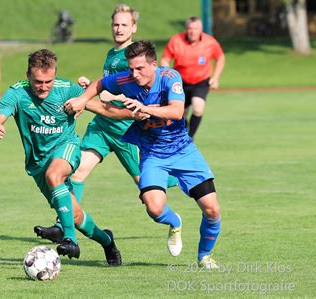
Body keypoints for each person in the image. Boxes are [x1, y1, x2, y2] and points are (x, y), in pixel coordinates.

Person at [64, 41, 222, 269]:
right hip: (153, 155)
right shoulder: (126, 80)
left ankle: (204, 256)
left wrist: (144, 108)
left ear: (154, 65)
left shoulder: (170, 77)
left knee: (212, 209)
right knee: (155, 209)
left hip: (183, 151)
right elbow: (100, 83)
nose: (134, 74)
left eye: (140, 69)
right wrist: (82, 100)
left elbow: (177, 111)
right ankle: (175, 222)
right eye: (131, 68)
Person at [0, 49, 145, 266]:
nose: (43, 87)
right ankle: (107, 241)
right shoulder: (17, 92)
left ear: (55, 75)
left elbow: (103, 109)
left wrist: (134, 114)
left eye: (48, 81)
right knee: (76, 216)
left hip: (66, 148)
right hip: (37, 164)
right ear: (28, 75)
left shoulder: (66, 90)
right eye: (38, 82)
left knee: (55, 174)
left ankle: (69, 239)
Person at [34, 4, 177, 245]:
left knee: (149, 194)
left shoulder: (134, 59)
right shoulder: (112, 53)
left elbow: (143, 92)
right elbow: (108, 86)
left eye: (124, 25)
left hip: (127, 132)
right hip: (102, 126)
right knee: (76, 173)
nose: (119, 29)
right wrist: (89, 90)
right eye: (115, 24)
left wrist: (113, 98)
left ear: (134, 27)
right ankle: (63, 225)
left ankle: (173, 221)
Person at [160, 16, 225, 138]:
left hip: (201, 81)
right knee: (180, 113)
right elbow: (165, 59)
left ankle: (190, 138)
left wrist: (215, 77)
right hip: (180, 82)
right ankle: (182, 136)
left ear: (200, 29)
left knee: (198, 107)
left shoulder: (210, 42)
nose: (192, 31)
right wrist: (167, 74)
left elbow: (220, 58)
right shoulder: (176, 40)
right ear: (186, 29)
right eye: (189, 28)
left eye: (195, 29)